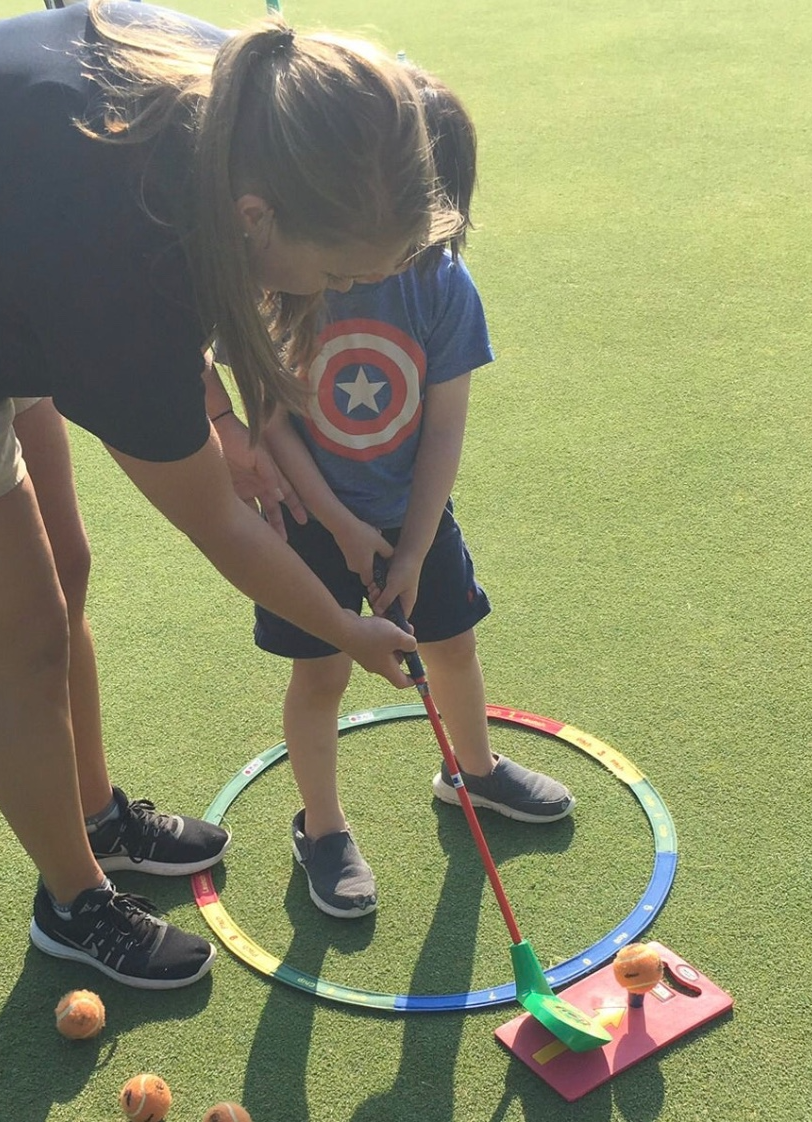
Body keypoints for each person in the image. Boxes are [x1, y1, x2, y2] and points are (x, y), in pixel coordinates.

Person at [0, 0, 460, 987]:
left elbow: (175, 310)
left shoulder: (263, 103)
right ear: (258, 221)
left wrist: (215, 422)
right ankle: (73, 901)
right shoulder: (122, 258)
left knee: (66, 568)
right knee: (26, 642)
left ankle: (95, 818)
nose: (340, 295)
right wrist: (347, 631)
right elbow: (214, 520)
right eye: (338, 270)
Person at [247, 72, 575, 919]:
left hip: (412, 513)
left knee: (453, 645)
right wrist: (345, 527)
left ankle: (474, 771)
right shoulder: (289, 275)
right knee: (319, 674)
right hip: (312, 520)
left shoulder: (441, 287)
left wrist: (417, 544)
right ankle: (322, 828)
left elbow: (442, 429)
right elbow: (271, 423)